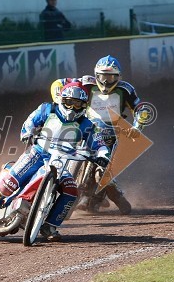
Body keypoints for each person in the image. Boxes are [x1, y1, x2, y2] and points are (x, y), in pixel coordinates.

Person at [0, 82, 110, 241]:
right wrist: (27, 133)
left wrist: (103, 155)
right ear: (61, 100)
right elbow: (29, 123)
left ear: (84, 106)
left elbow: (99, 143)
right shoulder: (47, 109)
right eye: (69, 102)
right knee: (9, 184)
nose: (72, 108)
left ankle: (49, 226)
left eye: (77, 103)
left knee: (71, 191)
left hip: (61, 162)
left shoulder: (87, 125)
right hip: (37, 155)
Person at [50, 55, 150, 214]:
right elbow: (60, 83)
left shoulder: (126, 89)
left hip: (111, 134)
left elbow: (140, 108)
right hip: (84, 128)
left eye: (110, 77)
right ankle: (49, 187)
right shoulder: (86, 83)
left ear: (118, 77)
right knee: (59, 150)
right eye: (102, 76)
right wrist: (58, 99)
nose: (106, 81)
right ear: (96, 75)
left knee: (102, 169)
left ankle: (113, 192)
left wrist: (137, 127)